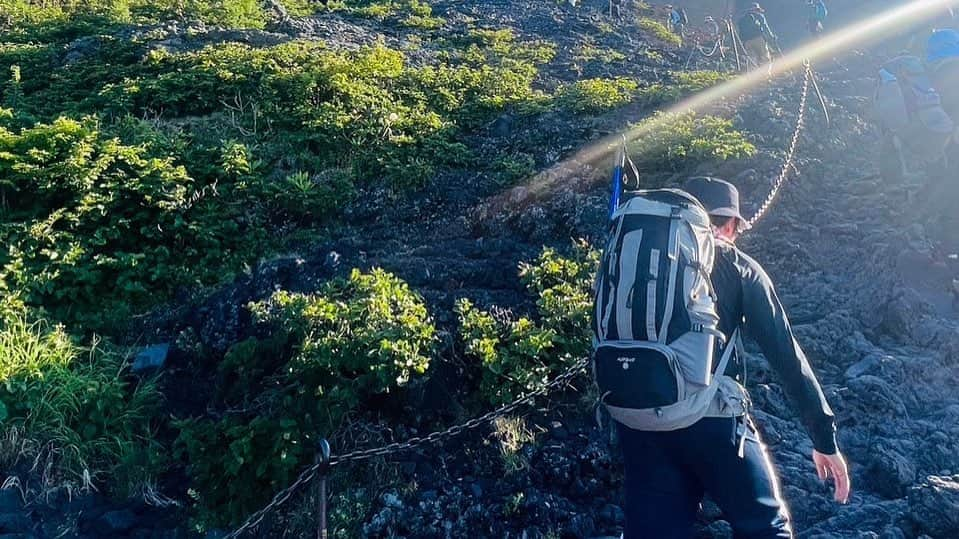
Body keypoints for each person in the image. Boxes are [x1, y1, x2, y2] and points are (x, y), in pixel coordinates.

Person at [616, 177, 851, 538]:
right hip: (711, 420)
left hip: (640, 419)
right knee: (766, 529)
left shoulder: (643, 261)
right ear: (729, 224)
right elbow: (786, 355)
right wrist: (824, 440)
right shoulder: (737, 265)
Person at [738, 3, 777, 69]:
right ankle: (766, 75)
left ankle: (753, 76)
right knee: (765, 57)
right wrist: (771, 36)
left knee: (751, 59)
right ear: (757, 9)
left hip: (747, 42)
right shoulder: (759, 16)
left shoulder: (742, 19)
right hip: (759, 39)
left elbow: (740, 32)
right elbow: (765, 27)